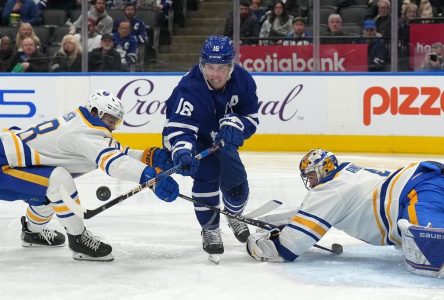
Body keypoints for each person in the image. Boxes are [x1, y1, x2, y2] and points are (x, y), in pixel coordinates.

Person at [0, 90, 179, 261]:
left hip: (8, 157)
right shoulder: (85, 133)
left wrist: (149, 156)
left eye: (116, 122)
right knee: (58, 180)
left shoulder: (84, 123)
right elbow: (114, 162)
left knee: (49, 188)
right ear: (96, 112)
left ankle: (32, 233)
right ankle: (79, 240)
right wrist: (148, 176)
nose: (113, 127)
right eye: (111, 121)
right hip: (3, 166)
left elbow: (116, 151)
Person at [246, 149, 444, 278]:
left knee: (432, 255)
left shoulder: (330, 191)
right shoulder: (347, 173)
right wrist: (265, 221)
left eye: (311, 176)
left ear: (321, 171)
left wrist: (254, 243)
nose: (311, 182)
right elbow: (305, 215)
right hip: (426, 179)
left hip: (418, 195)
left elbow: (289, 246)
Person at [162, 36, 259, 257]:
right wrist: (184, 151)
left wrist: (236, 125)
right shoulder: (190, 88)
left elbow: (251, 117)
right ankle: (210, 228)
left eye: (221, 68)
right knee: (207, 174)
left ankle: (234, 214)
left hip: (221, 139)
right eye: (209, 67)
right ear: (202, 64)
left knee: (236, 183)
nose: (214, 74)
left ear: (231, 66)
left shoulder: (243, 81)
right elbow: (181, 128)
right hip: (191, 138)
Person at [112, 3, 148, 71]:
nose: (130, 11)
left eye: (132, 9)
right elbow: (112, 34)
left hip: (134, 45)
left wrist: (130, 38)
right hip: (118, 44)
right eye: (128, 9)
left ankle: (139, 68)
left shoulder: (140, 22)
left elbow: (145, 38)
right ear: (124, 11)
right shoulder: (118, 21)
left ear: (135, 11)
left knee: (141, 45)